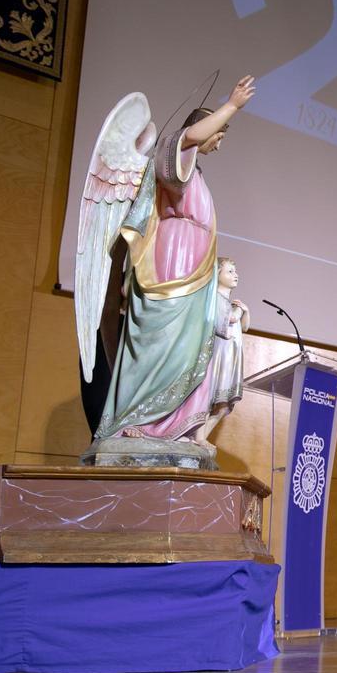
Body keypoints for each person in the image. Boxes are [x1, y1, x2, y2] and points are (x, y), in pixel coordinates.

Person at [93, 76, 256, 442]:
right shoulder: (174, 150)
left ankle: (169, 427)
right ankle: (139, 421)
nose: (218, 143)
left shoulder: (196, 173)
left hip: (192, 271)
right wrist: (232, 105)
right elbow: (191, 138)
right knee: (162, 344)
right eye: (219, 135)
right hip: (171, 269)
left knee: (184, 349)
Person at [193, 257, 250, 451]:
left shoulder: (230, 303)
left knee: (223, 405)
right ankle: (198, 437)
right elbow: (227, 323)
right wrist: (239, 311)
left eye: (235, 271)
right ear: (217, 275)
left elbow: (244, 326)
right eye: (230, 271)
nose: (236, 275)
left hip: (231, 358)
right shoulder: (215, 299)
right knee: (210, 399)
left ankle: (200, 438)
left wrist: (245, 311)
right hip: (219, 356)